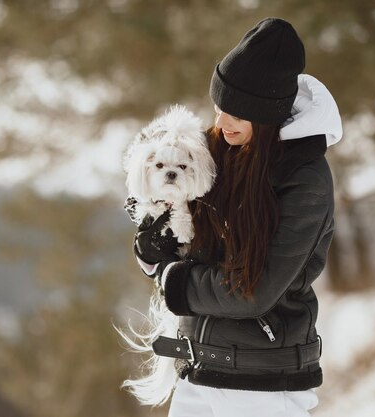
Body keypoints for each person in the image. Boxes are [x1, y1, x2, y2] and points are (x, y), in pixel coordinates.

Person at [129, 17, 342, 417]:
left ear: (267, 117)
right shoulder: (217, 151)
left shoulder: (304, 180)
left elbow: (253, 290)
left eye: (237, 114)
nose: (221, 122)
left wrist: (171, 278)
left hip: (262, 385)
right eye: (219, 107)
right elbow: (187, 242)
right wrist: (152, 243)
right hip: (198, 369)